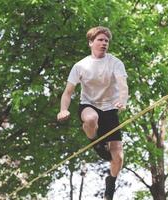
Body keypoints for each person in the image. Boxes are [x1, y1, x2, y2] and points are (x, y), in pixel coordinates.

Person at [57, 26, 129, 200]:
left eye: (106, 41)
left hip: (110, 110)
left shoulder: (115, 63)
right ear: (91, 43)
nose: (104, 43)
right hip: (89, 105)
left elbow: (123, 85)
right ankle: (95, 142)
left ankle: (110, 183)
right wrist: (63, 109)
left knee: (117, 157)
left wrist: (123, 100)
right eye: (100, 40)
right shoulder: (80, 66)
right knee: (91, 118)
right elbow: (68, 92)